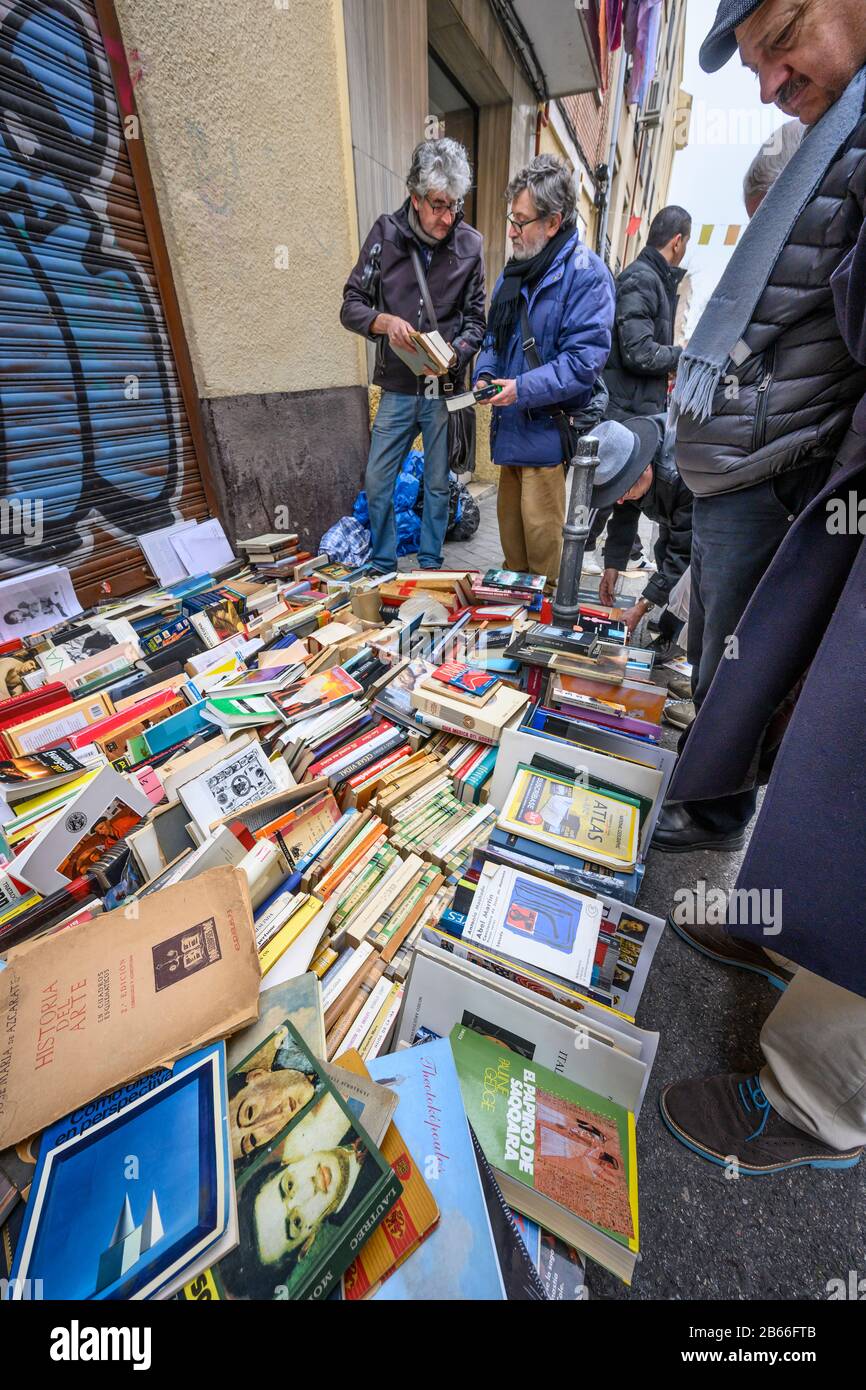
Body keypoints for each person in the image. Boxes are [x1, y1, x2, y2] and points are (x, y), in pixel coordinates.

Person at [657, 0, 866, 1176]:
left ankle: (816, 1097)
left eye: (784, 31)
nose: (774, 80)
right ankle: (788, 930)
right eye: (753, 63)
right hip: (812, 472)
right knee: (819, 743)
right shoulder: (838, 125)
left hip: (801, 468)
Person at [341, 138, 486, 574]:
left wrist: (455, 354)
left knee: (438, 484)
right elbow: (351, 303)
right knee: (378, 479)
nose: (447, 217)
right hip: (398, 386)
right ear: (416, 197)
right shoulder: (386, 234)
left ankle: (429, 566)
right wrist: (383, 322)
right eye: (438, 205)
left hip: (442, 385)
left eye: (454, 206)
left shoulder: (470, 245)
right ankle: (384, 565)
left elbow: (478, 321)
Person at [472, 155, 614, 585]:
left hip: (547, 445)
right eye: (510, 219)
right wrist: (484, 374)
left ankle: (543, 641)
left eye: (521, 221)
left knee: (545, 573)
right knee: (513, 565)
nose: (511, 231)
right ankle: (513, 635)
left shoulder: (587, 275)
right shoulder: (514, 272)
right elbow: (494, 338)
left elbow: (583, 362)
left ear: (553, 223)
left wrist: (520, 389)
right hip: (510, 438)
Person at [583, 205, 691, 576]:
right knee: (615, 490)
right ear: (677, 242)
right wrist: (683, 357)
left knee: (625, 494)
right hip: (626, 410)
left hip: (636, 409)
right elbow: (638, 351)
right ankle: (583, 551)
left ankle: (612, 560)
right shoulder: (643, 280)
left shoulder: (654, 282)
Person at [591, 416, 693, 665]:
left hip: (712, 515)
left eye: (623, 492)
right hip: (674, 510)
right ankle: (669, 613)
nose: (620, 500)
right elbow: (623, 518)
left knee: (690, 574)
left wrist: (643, 604)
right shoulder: (630, 461)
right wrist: (612, 566)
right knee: (662, 550)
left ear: (645, 469)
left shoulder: (681, 477)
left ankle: (679, 636)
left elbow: (684, 554)